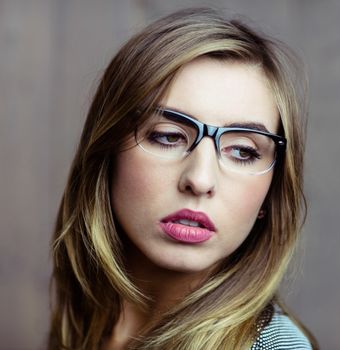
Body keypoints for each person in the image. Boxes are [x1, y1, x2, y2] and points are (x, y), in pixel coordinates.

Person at [48, 7, 317, 350]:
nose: (201, 179)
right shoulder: (89, 322)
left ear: (271, 193)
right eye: (168, 136)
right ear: (106, 152)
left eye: (243, 151)